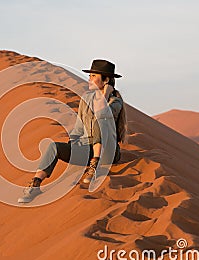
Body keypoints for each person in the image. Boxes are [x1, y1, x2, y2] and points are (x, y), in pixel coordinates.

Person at [18, 59, 128, 203]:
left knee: (98, 121)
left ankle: (94, 165)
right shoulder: (86, 98)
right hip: (86, 148)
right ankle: (35, 185)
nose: (89, 79)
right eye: (90, 76)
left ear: (106, 80)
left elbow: (101, 115)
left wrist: (105, 94)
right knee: (54, 147)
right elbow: (79, 127)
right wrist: (73, 145)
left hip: (108, 152)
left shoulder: (115, 102)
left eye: (94, 76)